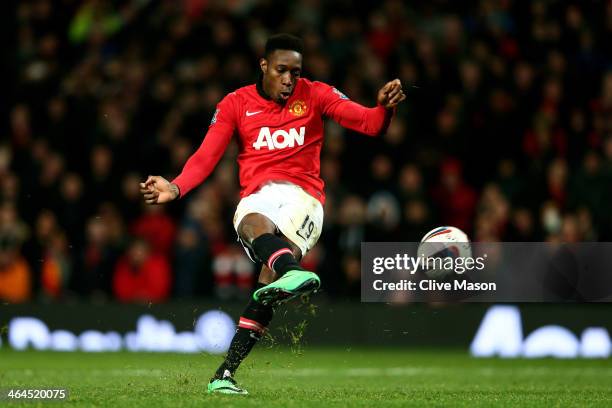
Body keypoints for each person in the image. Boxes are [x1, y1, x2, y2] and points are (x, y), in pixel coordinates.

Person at [140, 33, 405, 395]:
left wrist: (384, 109)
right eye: (282, 70)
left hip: (305, 199)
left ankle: (280, 286)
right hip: (259, 198)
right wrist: (175, 186)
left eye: (295, 72)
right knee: (251, 226)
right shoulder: (235, 104)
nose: (289, 79)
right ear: (264, 66)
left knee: (267, 286)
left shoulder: (315, 94)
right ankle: (226, 374)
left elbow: (370, 124)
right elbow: (206, 155)